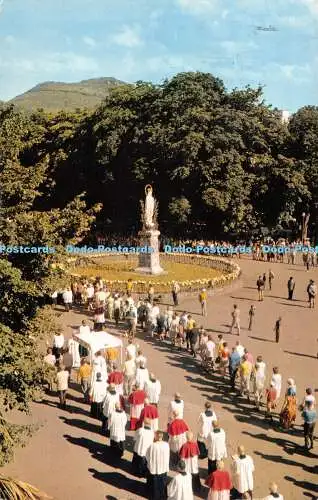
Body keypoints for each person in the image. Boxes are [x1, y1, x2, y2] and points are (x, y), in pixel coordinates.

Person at [146, 430, 170, 500]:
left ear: (156, 437)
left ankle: (154, 496)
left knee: (154, 485)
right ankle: (162, 495)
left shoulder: (153, 445)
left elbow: (147, 455)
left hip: (155, 468)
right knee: (162, 483)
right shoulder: (166, 444)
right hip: (163, 468)